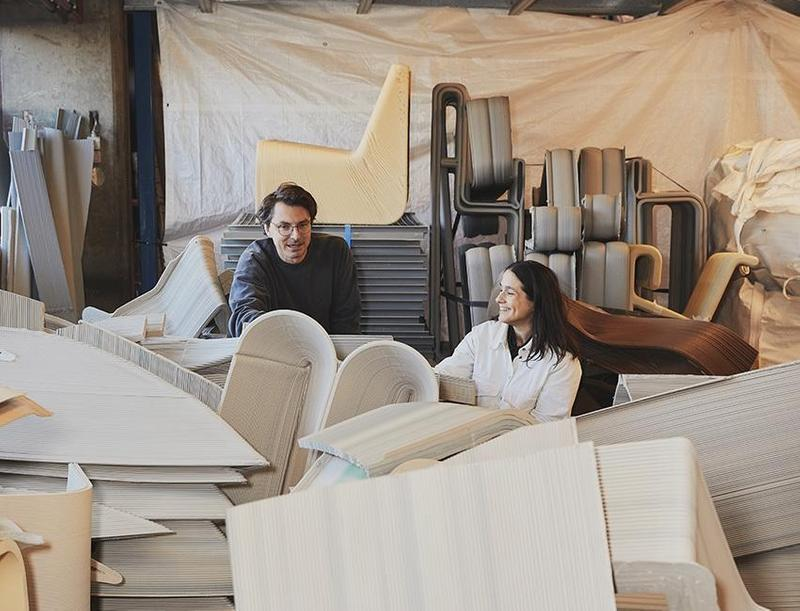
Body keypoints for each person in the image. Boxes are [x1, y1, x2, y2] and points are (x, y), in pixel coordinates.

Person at [435, 260, 581, 421]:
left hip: (521, 444)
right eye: (501, 289)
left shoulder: (561, 363)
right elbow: (444, 377)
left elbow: (547, 425)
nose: (499, 299)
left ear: (536, 301)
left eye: (510, 292)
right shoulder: (481, 336)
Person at [228, 182, 361, 337]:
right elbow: (243, 316)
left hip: (325, 350)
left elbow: (347, 321)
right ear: (267, 228)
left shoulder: (335, 252)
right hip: (271, 348)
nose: (296, 236)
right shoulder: (254, 260)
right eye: (284, 227)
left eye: (303, 225)